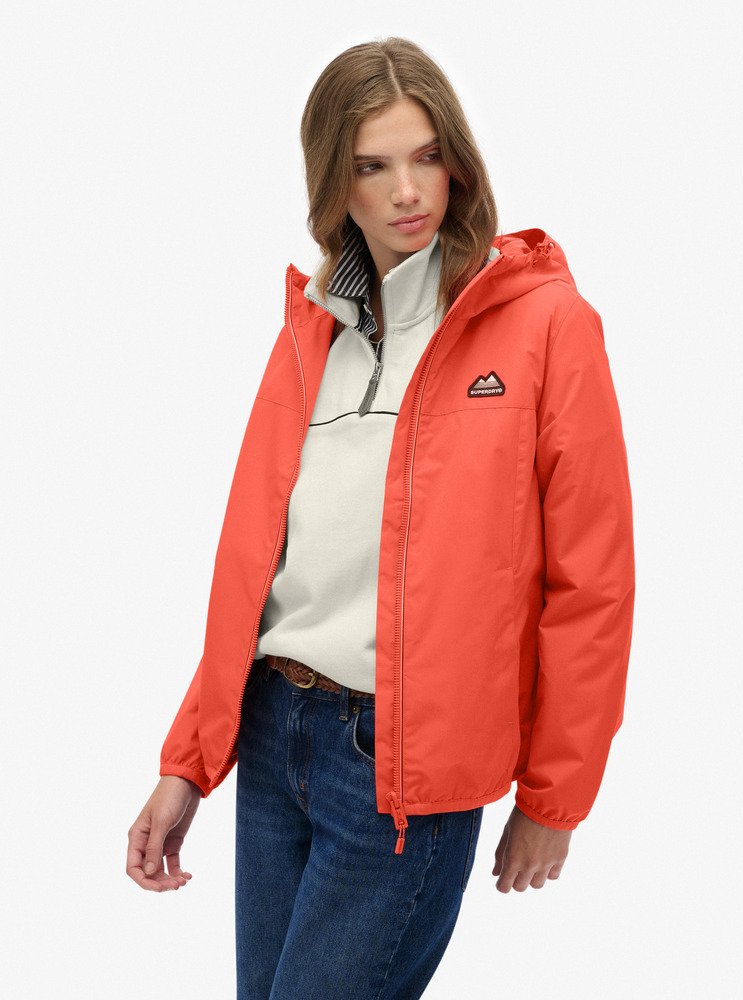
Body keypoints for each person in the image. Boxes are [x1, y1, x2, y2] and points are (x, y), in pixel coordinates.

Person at [126, 36, 635, 1000]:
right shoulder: (312, 329)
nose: (408, 191)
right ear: (335, 183)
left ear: (459, 162)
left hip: (402, 773)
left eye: (427, 156)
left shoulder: (546, 326)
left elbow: (592, 583)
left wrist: (556, 797)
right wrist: (189, 762)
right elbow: (261, 568)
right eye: (372, 166)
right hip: (273, 735)